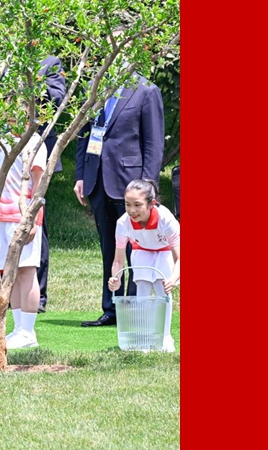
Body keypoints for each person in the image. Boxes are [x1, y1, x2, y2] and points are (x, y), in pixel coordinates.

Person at [0, 56, 65, 313]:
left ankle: (36, 302)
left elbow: (57, 101)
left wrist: (33, 81)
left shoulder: (47, 62)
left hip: (26, 161)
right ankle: (3, 303)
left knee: (29, 253)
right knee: (0, 247)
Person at [74, 73, 164, 327]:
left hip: (131, 183)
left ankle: (134, 308)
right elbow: (85, 134)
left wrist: (147, 186)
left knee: (136, 248)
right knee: (108, 247)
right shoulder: (94, 86)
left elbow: (153, 143)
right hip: (97, 178)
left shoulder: (146, 90)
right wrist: (81, 174)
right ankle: (111, 308)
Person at [108, 179, 179, 352]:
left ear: (151, 203)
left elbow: (180, 256)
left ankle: (165, 337)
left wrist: (173, 278)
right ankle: (145, 338)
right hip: (141, 250)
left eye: (137, 205)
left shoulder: (166, 219)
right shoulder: (122, 223)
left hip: (164, 250)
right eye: (127, 204)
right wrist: (115, 278)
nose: (132, 210)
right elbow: (118, 260)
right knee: (143, 289)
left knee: (163, 290)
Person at [0, 128, 48, 349]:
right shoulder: (2, 139)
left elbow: (39, 185)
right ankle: (18, 329)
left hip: (22, 215)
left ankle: (28, 331)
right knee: (11, 273)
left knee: (26, 271)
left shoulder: (36, 143)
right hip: (2, 216)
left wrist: (33, 219)